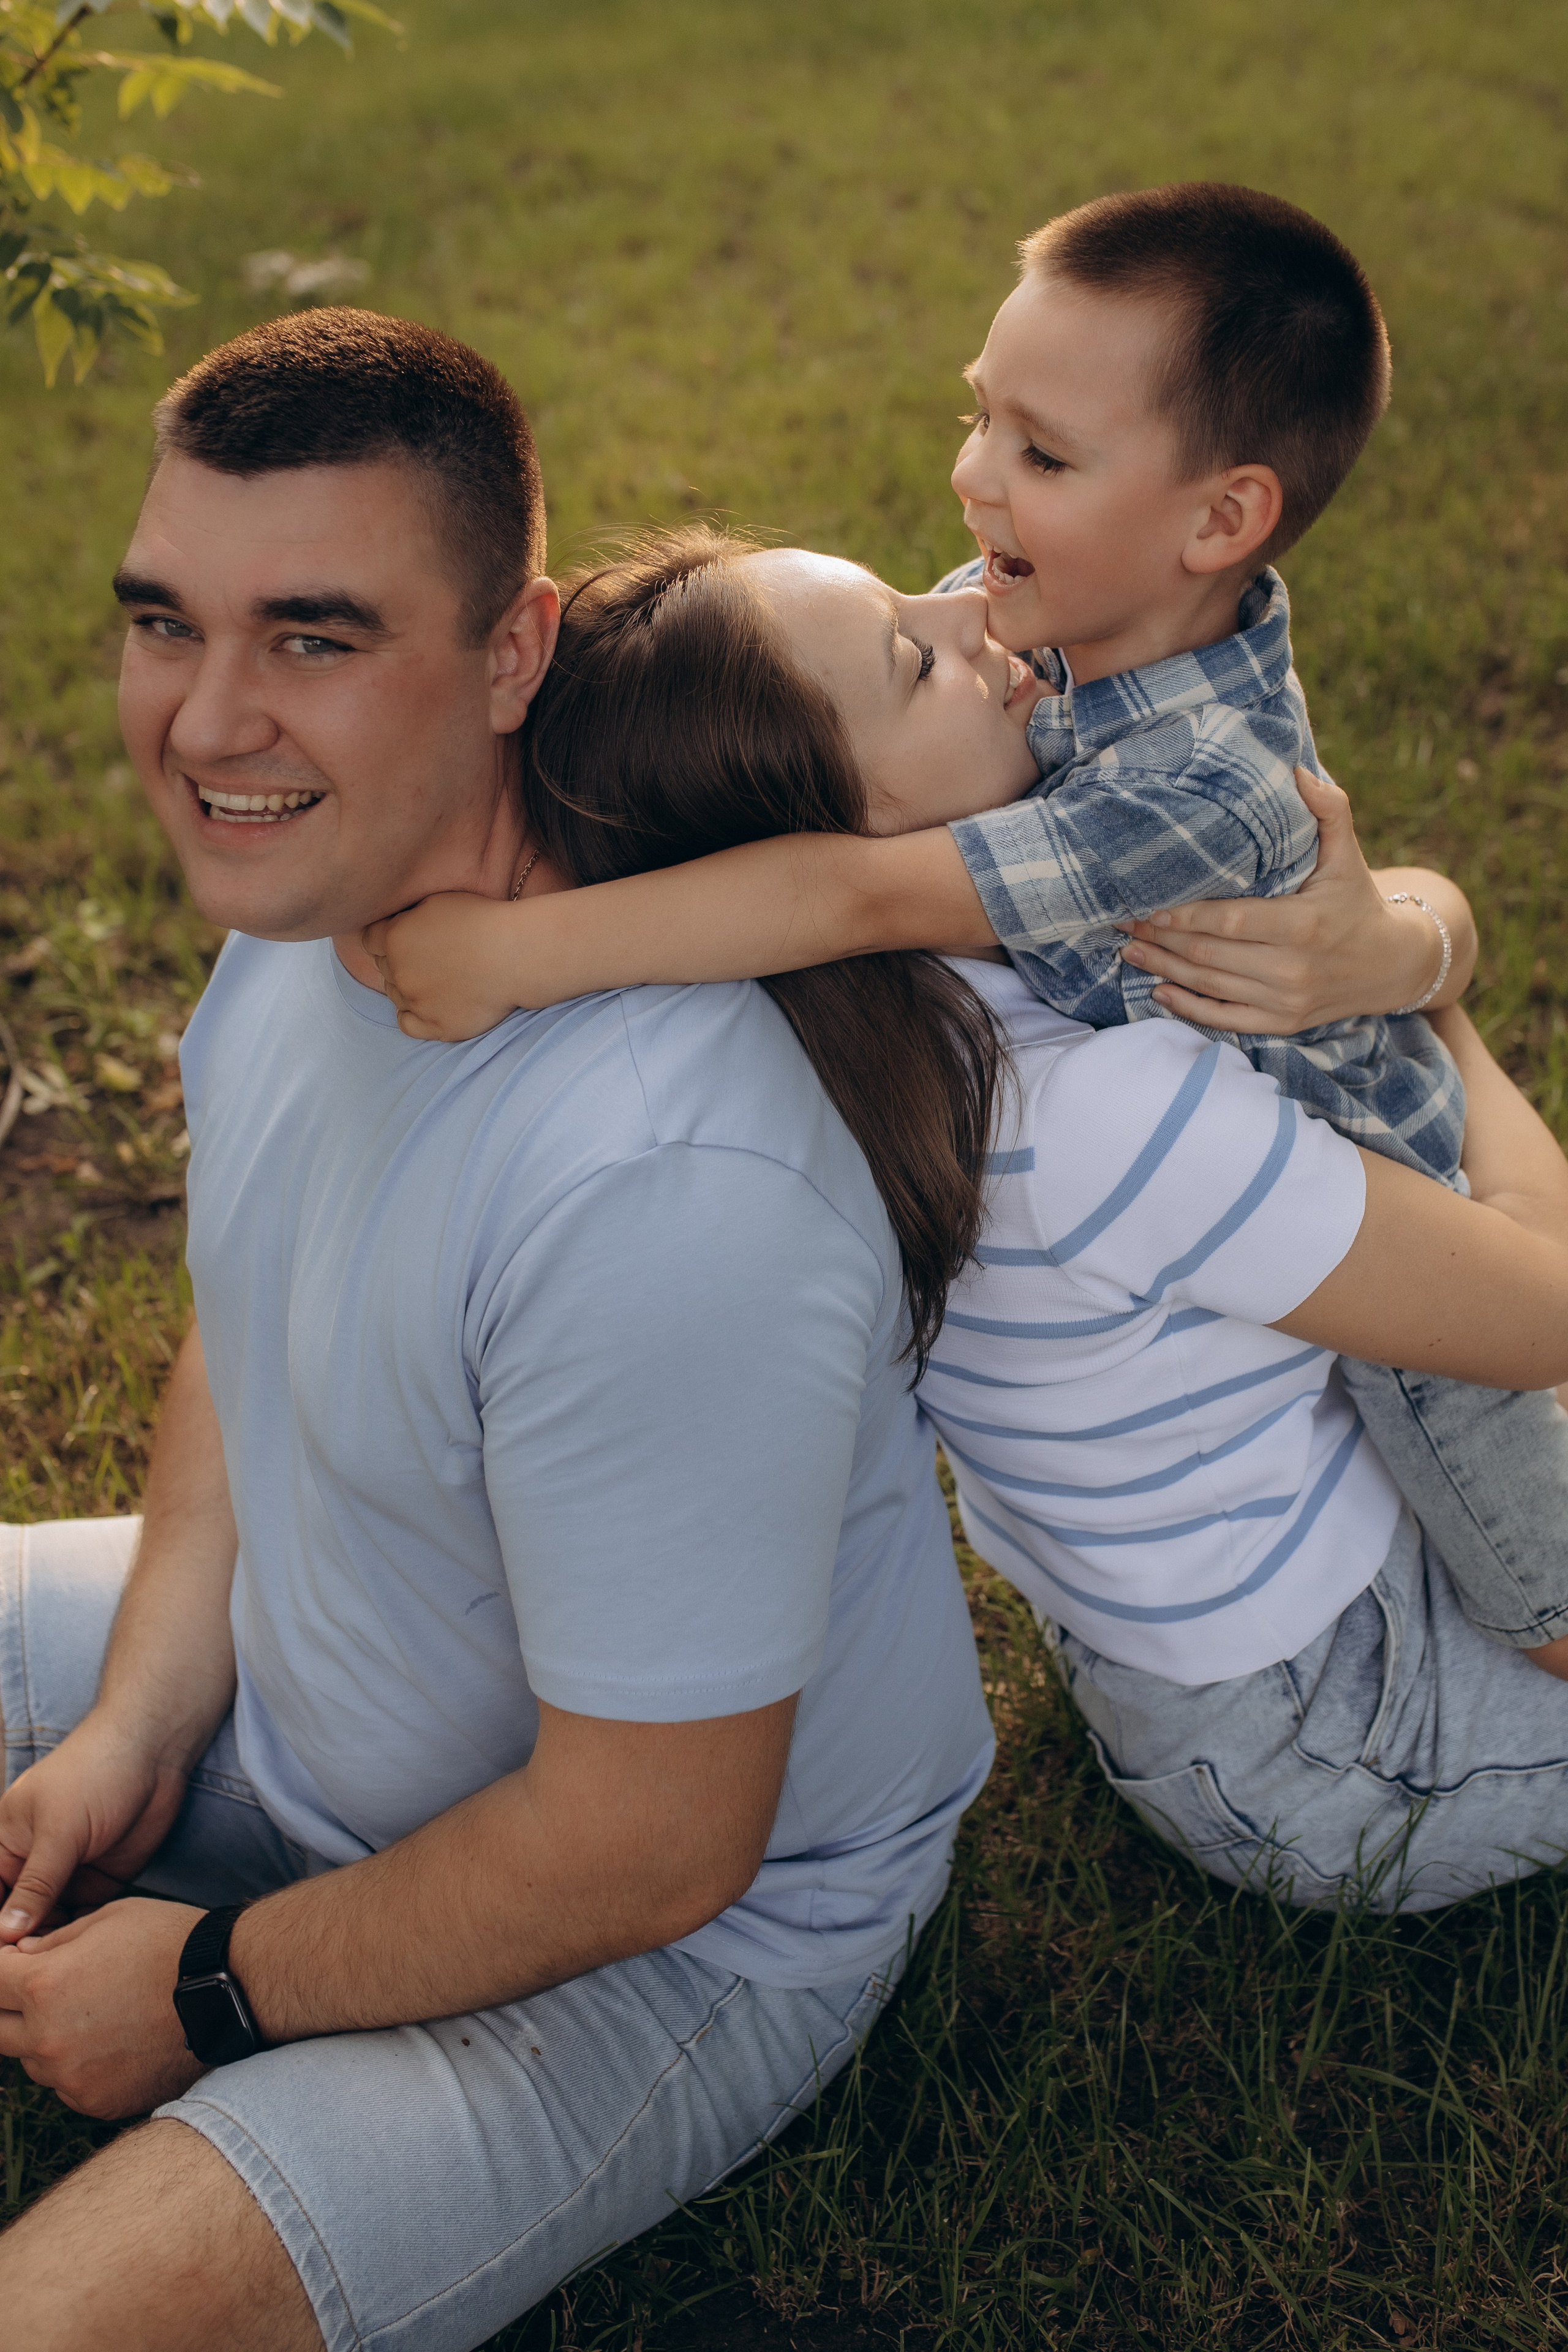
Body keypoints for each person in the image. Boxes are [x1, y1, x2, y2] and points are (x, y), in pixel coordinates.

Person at [0, 312, 1001, 2352]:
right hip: (306, 1682)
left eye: (315, 638)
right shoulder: (313, 910)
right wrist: (138, 1713)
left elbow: (644, 1846)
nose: (205, 727)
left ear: (515, 653)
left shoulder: (667, 1186)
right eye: (164, 623)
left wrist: (206, 1983)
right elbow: (246, 1321)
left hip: (658, 1940)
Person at [367, 184, 1568, 1675]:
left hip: (1393, 1174)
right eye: (980, 417)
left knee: (1518, 1515)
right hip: (1276, 1219)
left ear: (1220, 518)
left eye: (1041, 453)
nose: (971, 483)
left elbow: (847, 886)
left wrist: (515, 952)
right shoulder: (1033, 625)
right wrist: (1424, 932)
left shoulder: (1188, 787)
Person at [374, 526, 1568, 1912]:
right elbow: (1535, 1306)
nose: (969, 622)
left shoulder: (848, 1043)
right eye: (906, 657)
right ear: (849, 828)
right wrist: (1420, 1005)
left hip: (1184, 1651)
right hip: (1337, 1730)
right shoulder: (1114, 1110)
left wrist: (1407, 935)